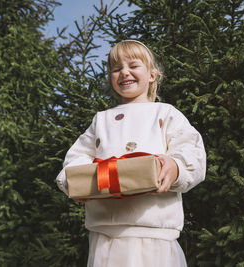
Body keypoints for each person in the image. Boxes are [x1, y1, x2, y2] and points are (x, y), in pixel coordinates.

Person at [56, 40, 206, 267]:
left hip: (154, 231)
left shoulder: (165, 113)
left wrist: (175, 167)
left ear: (153, 75)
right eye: (116, 69)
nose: (124, 72)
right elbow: (76, 157)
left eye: (133, 66)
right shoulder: (101, 120)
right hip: (106, 234)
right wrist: (75, 181)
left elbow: (190, 149)